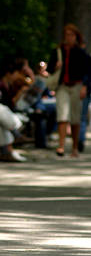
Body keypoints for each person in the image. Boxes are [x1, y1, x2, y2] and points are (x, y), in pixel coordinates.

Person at [47, 24, 89, 157]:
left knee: (75, 118)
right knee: (62, 116)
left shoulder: (81, 53)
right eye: (67, 35)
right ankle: (61, 146)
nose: (69, 38)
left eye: (71, 35)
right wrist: (55, 66)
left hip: (76, 86)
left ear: (76, 37)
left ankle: (75, 147)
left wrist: (85, 86)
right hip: (62, 86)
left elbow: (88, 71)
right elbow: (49, 69)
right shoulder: (58, 51)